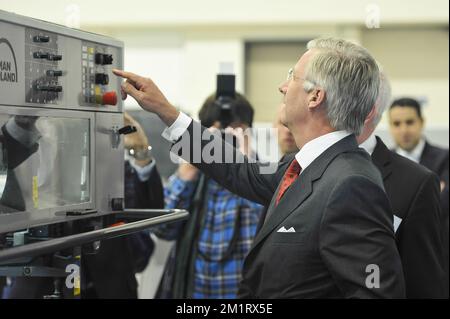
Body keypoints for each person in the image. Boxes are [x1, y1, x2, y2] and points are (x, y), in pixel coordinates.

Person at [113, 37, 405, 298]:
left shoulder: (351, 184)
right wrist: (168, 113)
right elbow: (240, 169)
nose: (282, 86)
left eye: (292, 76)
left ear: (315, 97)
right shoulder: (303, 166)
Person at [153, 93, 265, 299]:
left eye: (236, 129)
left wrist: (246, 165)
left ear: (248, 131)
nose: (226, 138)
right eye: (219, 130)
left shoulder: (264, 176)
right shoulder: (193, 178)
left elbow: (262, 228)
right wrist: (193, 158)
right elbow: (162, 229)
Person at [358, 72, 446, 298]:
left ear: (422, 122)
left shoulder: (445, 159)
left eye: (410, 122)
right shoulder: (375, 163)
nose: (404, 129)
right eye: (397, 123)